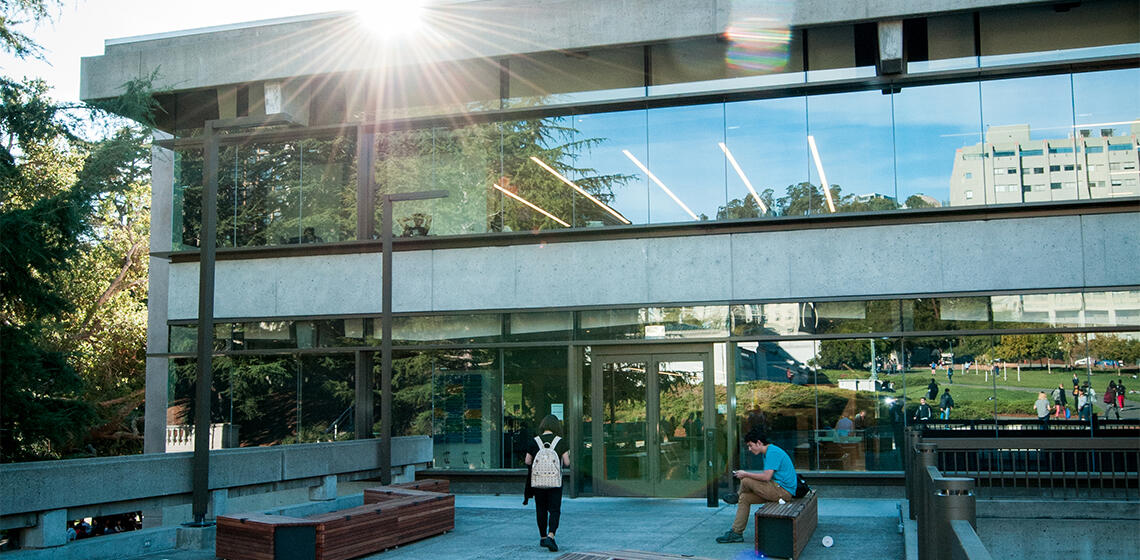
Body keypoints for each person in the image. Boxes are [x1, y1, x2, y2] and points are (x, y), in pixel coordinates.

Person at [715, 427, 799, 544]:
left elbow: (766, 477)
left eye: (750, 445)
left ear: (759, 442)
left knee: (745, 480)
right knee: (744, 498)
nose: (749, 449)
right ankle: (736, 533)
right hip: (776, 489)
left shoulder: (772, 452)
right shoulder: (768, 452)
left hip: (783, 492)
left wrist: (745, 473)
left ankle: (736, 495)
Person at [523, 414, 570, 552]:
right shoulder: (561, 442)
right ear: (556, 426)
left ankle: (543, 537)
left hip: (538, 482)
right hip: (555, 482)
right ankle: (551, 535)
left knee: (541, 508)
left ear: (543, 425)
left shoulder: (534, 441)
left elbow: (527, 461)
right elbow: (567, 462)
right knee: (554, 509)